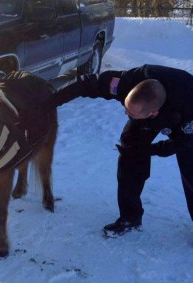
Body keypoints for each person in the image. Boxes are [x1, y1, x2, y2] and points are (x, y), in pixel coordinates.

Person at [48, 64, 193, 238]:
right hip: (148, 116)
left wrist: (152, 150)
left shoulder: (188, 99)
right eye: (126, 108)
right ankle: (130, 218)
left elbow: (182, 143)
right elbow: (87, 83)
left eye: (131, 113)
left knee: (190, 170)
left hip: (185, 123)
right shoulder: (127, 82)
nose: (125, 113)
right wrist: (50, 102)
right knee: (129, 155)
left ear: (153, 113)